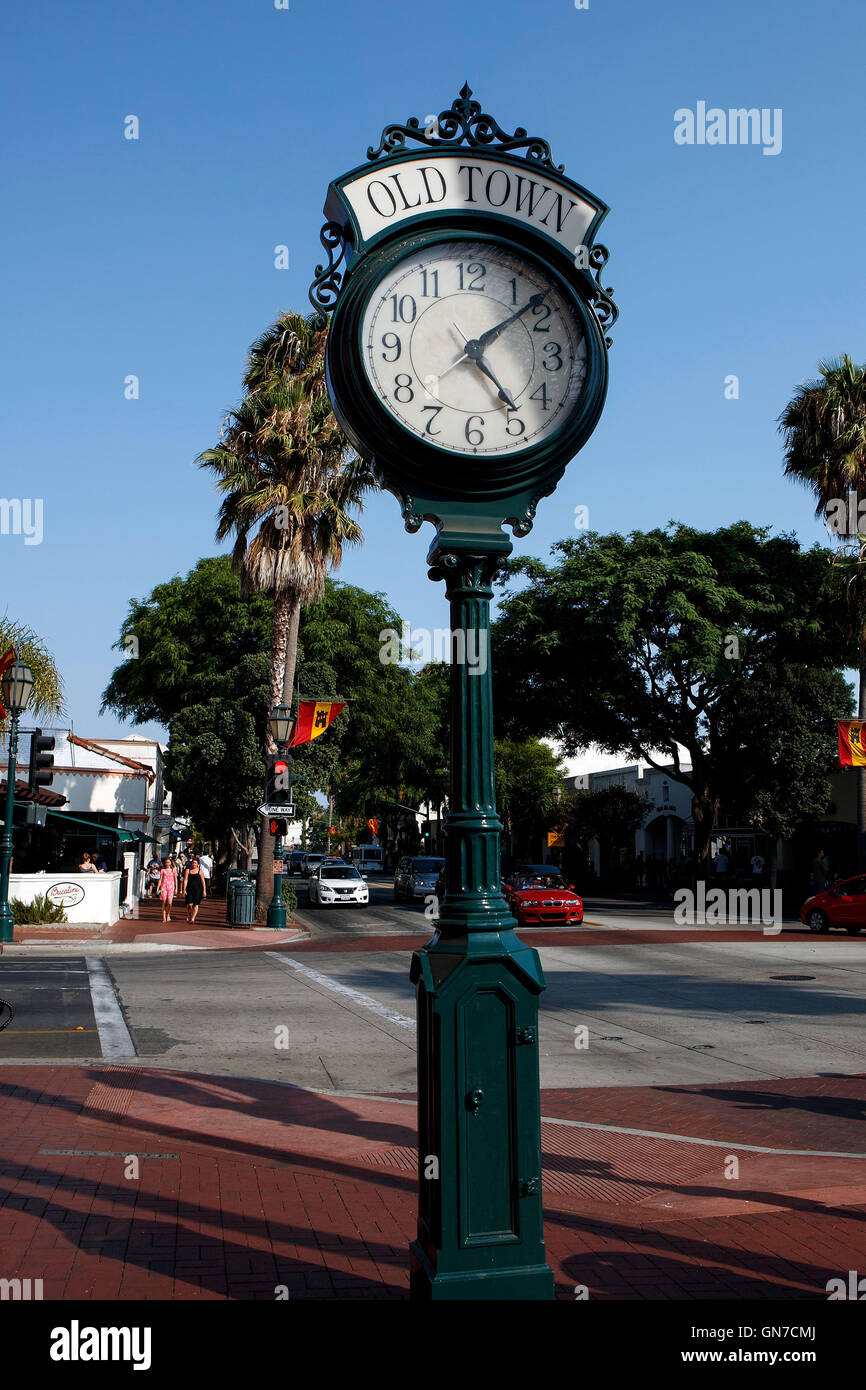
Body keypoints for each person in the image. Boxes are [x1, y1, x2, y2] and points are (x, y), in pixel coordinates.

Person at [183, 856, 206, 923]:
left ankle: (193, 918)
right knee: (189, 904)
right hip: (189, 889)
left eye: (195, 863)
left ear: (198, 864)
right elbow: (185, 880)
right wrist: (184, 890)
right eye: (193, 863)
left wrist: (204, 890)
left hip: (198, 890)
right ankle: (189, 915)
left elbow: (203, 881)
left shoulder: (200, 871)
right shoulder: (188, 870)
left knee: (196, 904)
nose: (194, 864)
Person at [158, 858, 177, 923]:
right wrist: (158, 888)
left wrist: (176, 888)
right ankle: (164, 917)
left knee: (169, 903)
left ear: (171, 863)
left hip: (171, 887)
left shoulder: (173, 870)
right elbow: (160, 879)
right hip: (163, 887)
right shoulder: (163, 870)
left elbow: (175, 879)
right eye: (166, 862)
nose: (167, 864)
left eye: (168, 862)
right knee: (163, 902)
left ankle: (168, 914)